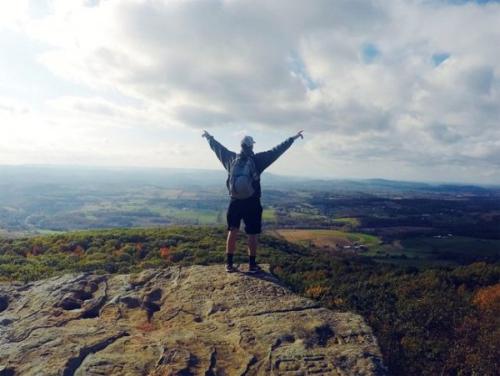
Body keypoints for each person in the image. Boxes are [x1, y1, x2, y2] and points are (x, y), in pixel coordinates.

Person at [202, 129, 304, 273]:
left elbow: (217, 148)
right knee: (252, 234)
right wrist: (291, 139)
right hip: (252, 202)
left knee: (232, 231)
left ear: (241, 145)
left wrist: (209, 137)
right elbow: (276, 151)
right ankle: (252, 265)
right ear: (252, 146)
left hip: (235, 201)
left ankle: (229, 264)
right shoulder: (257, 160)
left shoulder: (230, 159)